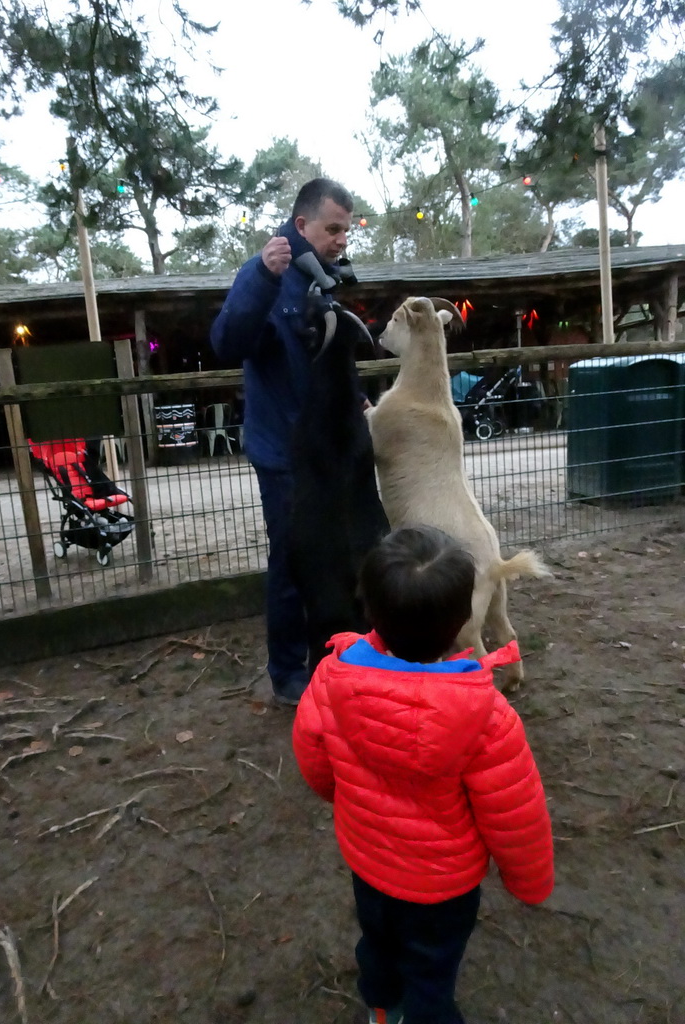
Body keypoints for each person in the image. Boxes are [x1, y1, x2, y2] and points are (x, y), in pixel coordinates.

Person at [292, 525, 554, 1024]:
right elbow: (515, 813)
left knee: (378, 944)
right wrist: (530, 881)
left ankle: (382, 1010)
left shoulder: (332, 678)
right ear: (461, 622)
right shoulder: (487, 716)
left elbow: (313, 760)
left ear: (370, 610)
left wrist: (346, 798)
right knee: (432, 969)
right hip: (444, 888)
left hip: (368, 862)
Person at [210, 178, 357, 707]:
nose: (342, 238)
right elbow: (228, 341)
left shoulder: (321, 280)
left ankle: (332, 659)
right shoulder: (272, 276)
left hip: (329, 446)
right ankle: (288, 670)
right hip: (284, 453)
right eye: (333, 228)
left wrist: (353, 401)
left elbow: (329, 357)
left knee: (335, 556)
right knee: (294, 562)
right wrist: (260, 277)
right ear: (301, 226)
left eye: (347, 229)